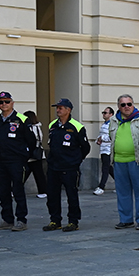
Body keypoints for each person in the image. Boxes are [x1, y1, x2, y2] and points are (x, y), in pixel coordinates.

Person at [0, 91, 35, 231]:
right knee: (3, 191)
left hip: (16, 161)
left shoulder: (21, 119)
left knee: (18, 190)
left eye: (6, 102)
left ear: (12, 103)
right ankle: (7, 219)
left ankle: (21, 220)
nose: (4, 104)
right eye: (1, 102)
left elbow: (32, 141)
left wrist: (24, 156)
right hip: (1, 161)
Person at [43, 98, 90, 232]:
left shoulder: (77, 127)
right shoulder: (52, 125)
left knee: (71, 195)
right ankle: (55, 220)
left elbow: (85, 147)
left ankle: (73, 221)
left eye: (61, 108)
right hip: (53, 167)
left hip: (69, 167)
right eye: (57, 107)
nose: (58, 110)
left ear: (68, 110)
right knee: (52, 195)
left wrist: (75, 160)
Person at [111, 95, 139, 230]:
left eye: (129, 104)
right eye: (123, 105)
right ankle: (126, 219)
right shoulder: (113, 120)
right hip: (119, 161)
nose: (126, 107)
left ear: (133, 104)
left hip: (138, 160)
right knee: (122, 192)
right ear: (118, 107)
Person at [22, 110, 49, 198]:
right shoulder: (38, 127)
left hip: (32, 154)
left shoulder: (32, 128)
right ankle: (43, 191)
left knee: (28, 172)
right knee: (36, 173)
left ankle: (43, 191)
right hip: (36, 154)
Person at [94, 106, 114, 194]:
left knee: (105, 168)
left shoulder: (112, 125)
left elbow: (112, 137)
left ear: (111, 114)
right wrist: (98, 140)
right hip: (103, 149)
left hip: (108, 150)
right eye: (103, 112)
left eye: (105, 113)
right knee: (109, 168)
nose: (103, 114)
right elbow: (101, 135)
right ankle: (123, 184)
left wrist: (102, 138)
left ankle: (101, 187)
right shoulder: (104, 124)